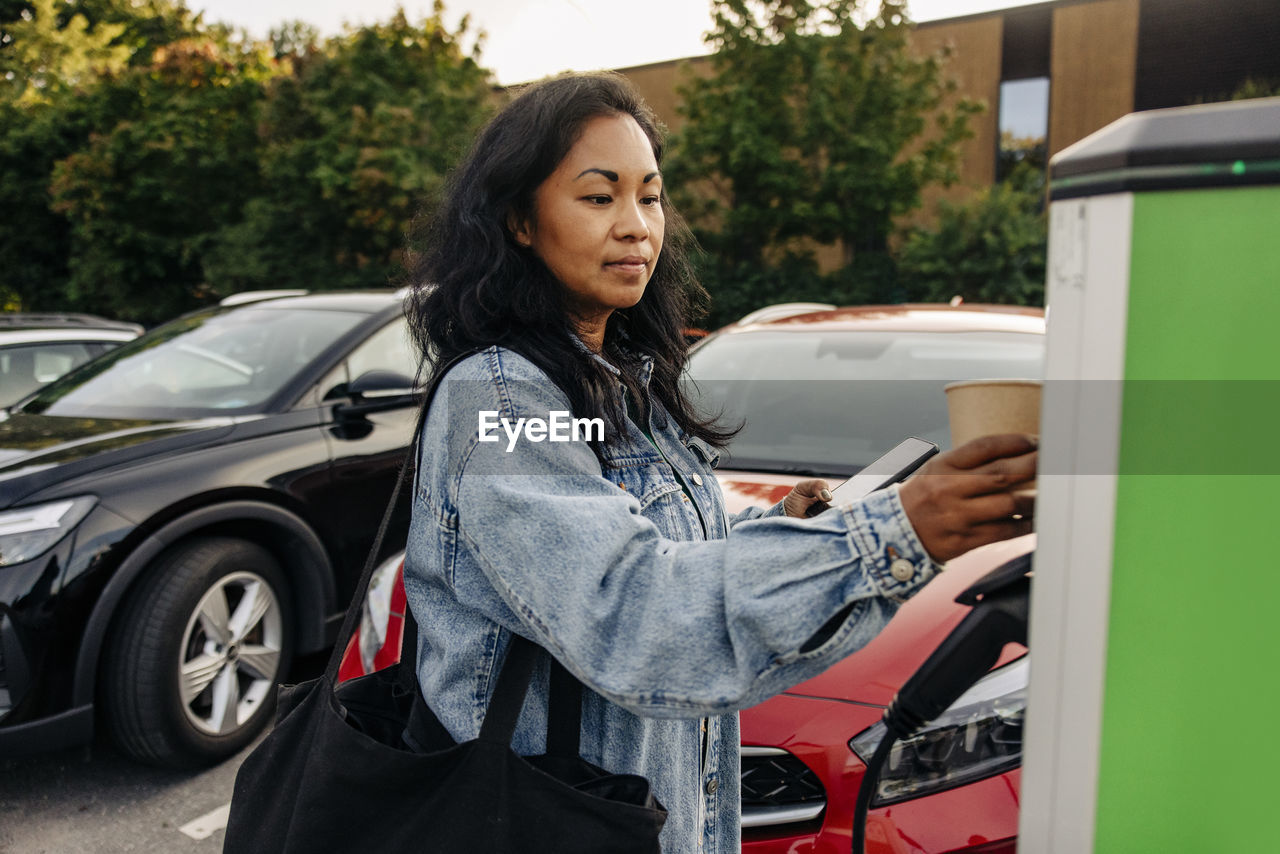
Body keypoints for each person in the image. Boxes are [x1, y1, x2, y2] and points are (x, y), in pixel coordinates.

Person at [401, 72, 1036, 853]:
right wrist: (896, 532)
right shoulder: (499, 399)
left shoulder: (624, 382)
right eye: (599, 198)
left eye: (651, 196)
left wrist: (779, 530)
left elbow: (659, 559)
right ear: (519, 221)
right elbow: (631, 616)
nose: (636, 226)